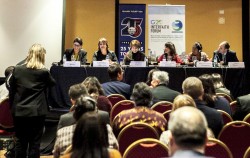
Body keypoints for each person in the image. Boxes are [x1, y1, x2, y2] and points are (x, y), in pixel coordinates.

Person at [9, 44, 56, 158]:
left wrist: (12, 108)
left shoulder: (18, 69)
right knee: (35, 143)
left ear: (29, 55)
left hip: (19, 111)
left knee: (20, 141)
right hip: (37, 111)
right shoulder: (43, 72)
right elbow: (52, 83)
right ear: (41, 56)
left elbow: (11, 88)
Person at [53, 96, 118, 157]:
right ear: (97, 114)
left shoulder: (62, 132)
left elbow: (56, 155)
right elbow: (116, 148)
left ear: (74, 115)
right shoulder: (107, 129)